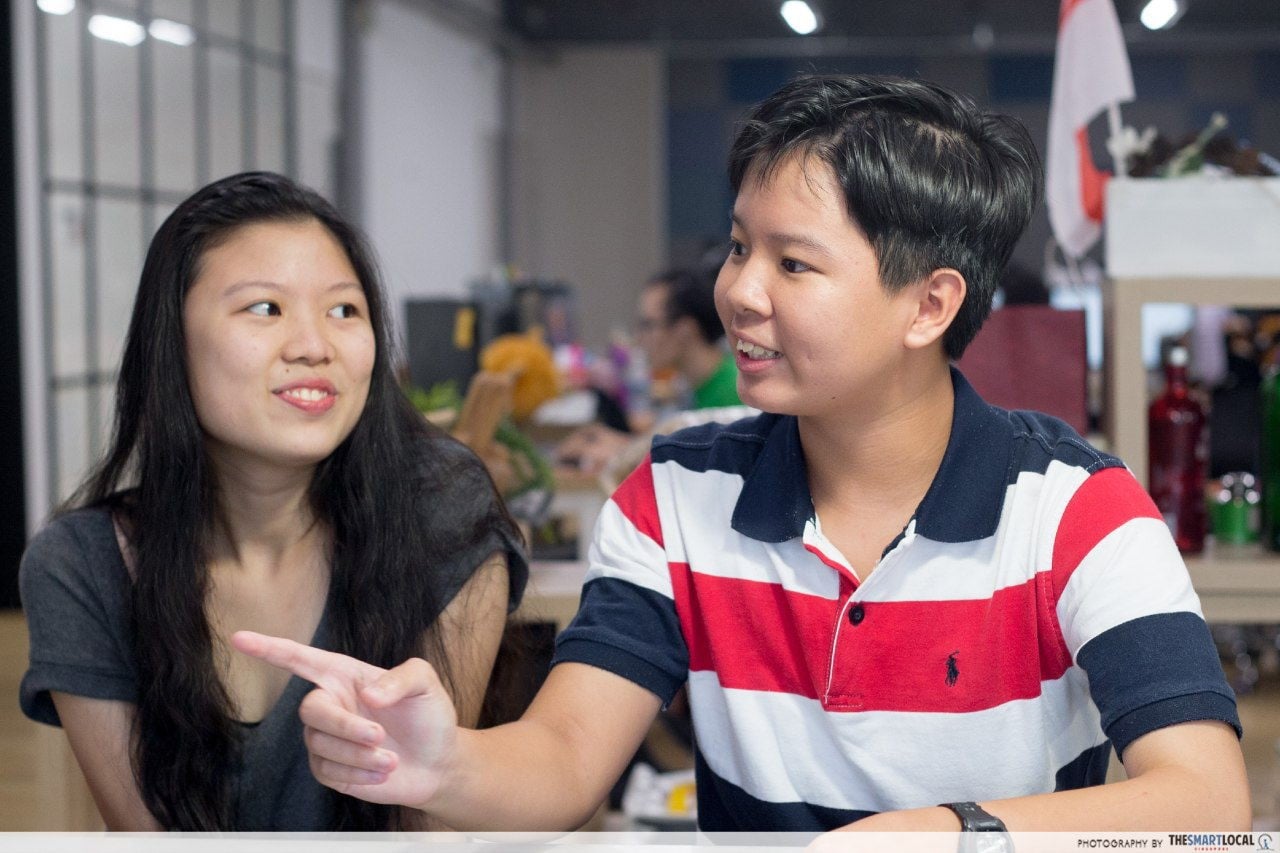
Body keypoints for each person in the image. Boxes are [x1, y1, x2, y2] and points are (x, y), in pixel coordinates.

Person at [235, 75, 1249, 837]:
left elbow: (1204, 798)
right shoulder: (676, 496)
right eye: (736, 247)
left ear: (928, 304)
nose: (737, 292)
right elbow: (567, 757)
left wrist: (947, 831)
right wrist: (443, 763)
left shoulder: (1077, 510)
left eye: (792, 263)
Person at [18, 172, 527, 830]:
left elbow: (426, 824)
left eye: (344, 310)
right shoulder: (83, 566)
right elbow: (145, 836)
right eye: (265, 308)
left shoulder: (442, 513)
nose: (314, 346)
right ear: (171, 340)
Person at [556, 266, 741, 475]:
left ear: (685, 330)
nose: (639, 337)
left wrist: (623, 451)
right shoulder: (696, 385)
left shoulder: (735, 391)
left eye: (648, 325)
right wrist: (626, 446)